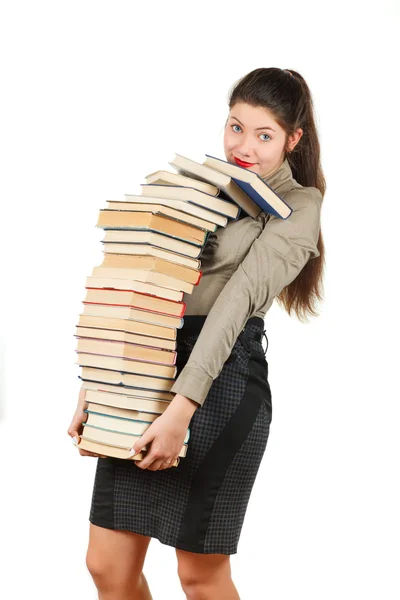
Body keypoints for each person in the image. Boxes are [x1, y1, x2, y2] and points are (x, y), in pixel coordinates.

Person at [68, 66, 326, 600]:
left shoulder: (299, 208)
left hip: (223, 381)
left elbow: (232, 309)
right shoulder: (201, 183)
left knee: (200, 577)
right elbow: (138, 279)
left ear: (293, 139)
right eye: (236, 127)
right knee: (106, 567)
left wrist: (178, 412)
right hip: (150, 365)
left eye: (264, 134)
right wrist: (97, 384)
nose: (244, 146)